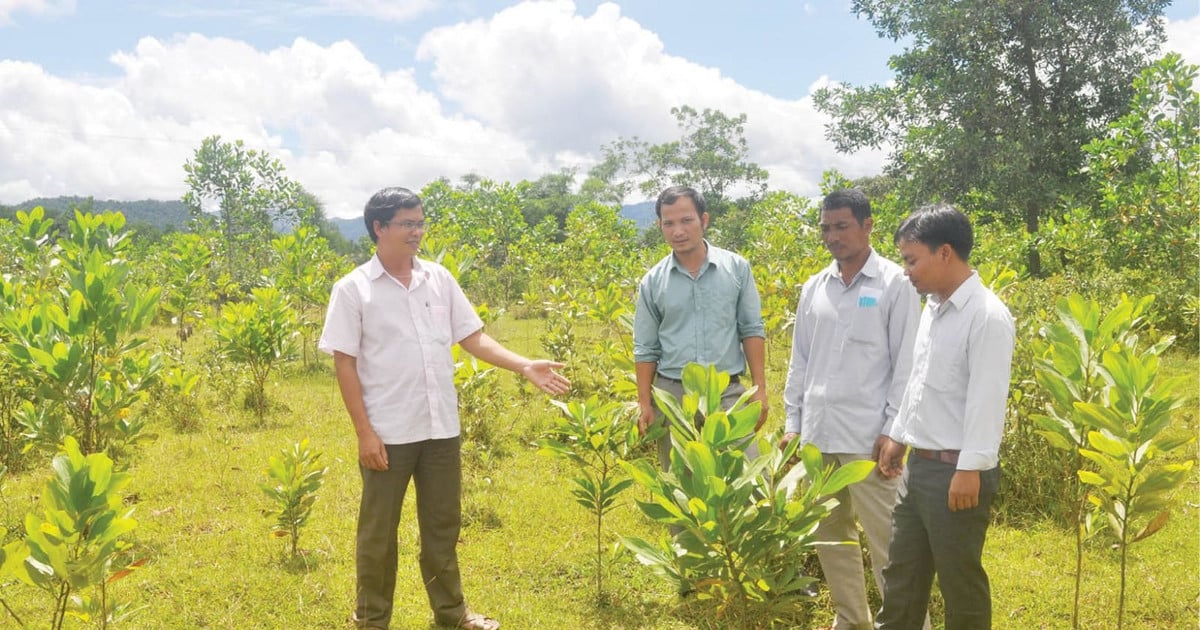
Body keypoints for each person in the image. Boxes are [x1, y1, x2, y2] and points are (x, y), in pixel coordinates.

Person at [319, 187, 570, 630]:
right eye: (407, 224)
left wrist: (523, 364)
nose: (417, 232)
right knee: (378, 534)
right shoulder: (354, 289)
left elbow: (472, 338)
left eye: (420, 223)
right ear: (379, 228)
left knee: (442, 528)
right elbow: (345, 362)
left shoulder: (438, 279)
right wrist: (364, 433)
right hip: (388, 433)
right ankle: (373, 620)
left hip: (440, 430)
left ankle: (451, 616)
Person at [781, 189, 924, 630]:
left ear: (867, 226)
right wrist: (792, 423)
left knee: (889, 542)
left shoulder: (896, 284)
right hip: (818, 436)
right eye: (826, 227)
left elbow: (908, 362)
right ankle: (851, 619)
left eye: (842, 226)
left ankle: (904, 623)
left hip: (870, 441)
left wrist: (894, 430)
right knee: (831, 537)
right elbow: (800, 360)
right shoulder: (815, 287)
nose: (832, 236)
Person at [875, 204, 1015, 630]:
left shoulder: (986, 316)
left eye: (911, 259)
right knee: (902, 576)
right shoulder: (934, 309)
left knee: (959, 583)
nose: (906, 271)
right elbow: (919, 381)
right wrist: (900, 435)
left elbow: (985, 400)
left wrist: (969, 468)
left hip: (957, 473)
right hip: (919, 469)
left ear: (945, 253)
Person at [633, 185, 768, 468]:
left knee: (749, 479)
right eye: (668, 223)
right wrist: (645, 403)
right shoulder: (653, 281)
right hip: (674, 395)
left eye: (686, 221)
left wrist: (759, 388)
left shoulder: (736, 268)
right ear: (660, 226)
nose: (678, 231)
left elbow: (751, 329)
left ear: (704, 220)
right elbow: (646, 348)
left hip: (726, 391)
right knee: (683, 483)